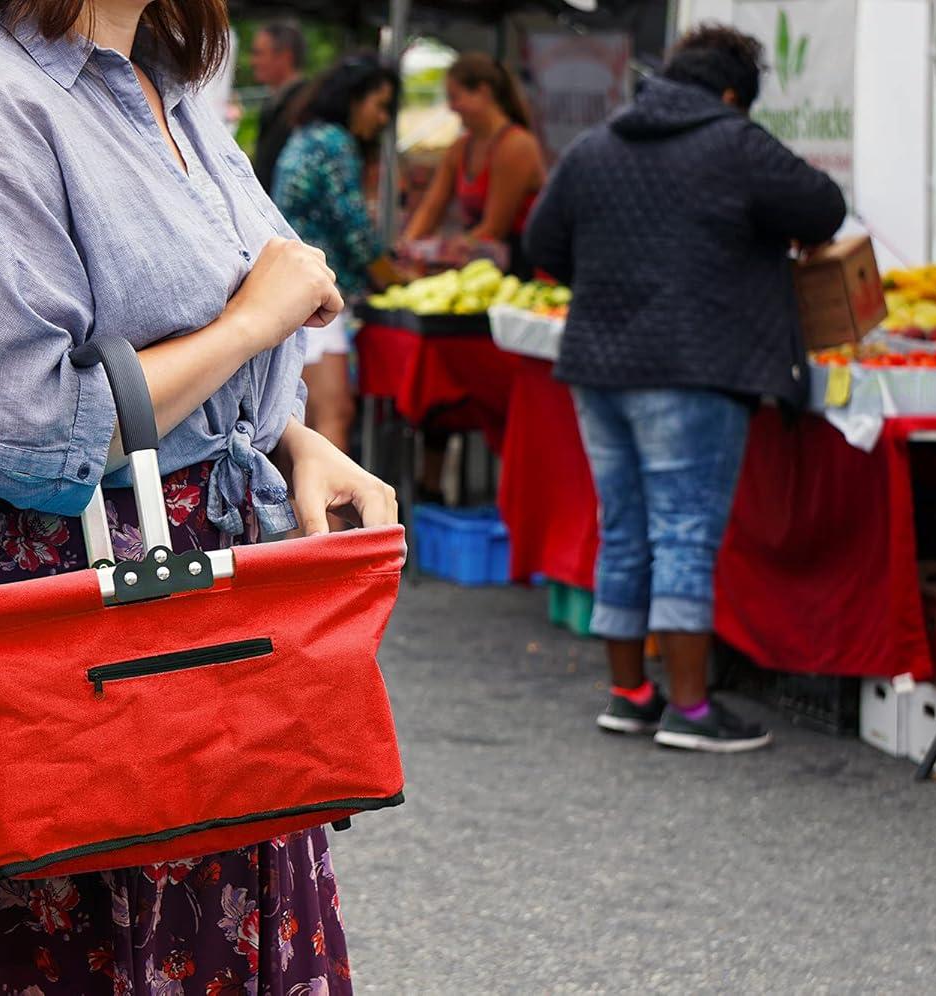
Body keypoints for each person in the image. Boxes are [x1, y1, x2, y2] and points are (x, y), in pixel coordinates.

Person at [0, 0, 398, 990]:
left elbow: (219, 323)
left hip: (208, 584)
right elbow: (23, 427)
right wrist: (249, 328)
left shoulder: (164, 85)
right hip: (69, 590)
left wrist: (291, 437)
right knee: (75, 939)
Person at [524, 24, 846, 752]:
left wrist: (615, 283)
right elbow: (823, 207)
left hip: (600, 364)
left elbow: (541, 243)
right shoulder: (735, 141)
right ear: (731, 94)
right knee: (684, 535)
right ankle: (693, 712)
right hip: (696, 368)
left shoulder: (596, 146)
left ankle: (631, 694)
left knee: (624, 526)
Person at [274, 56, 399, 451]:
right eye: (380, 106)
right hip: (313, 300)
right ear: (353, 100)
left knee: (307, 424)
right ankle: (326, 516)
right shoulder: (335, 143)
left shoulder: (307, 135)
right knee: (331, 417)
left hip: (295, 293)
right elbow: (355, 230)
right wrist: (397, 279)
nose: (382, 119)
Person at [400, 53, 546, 277]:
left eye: (455, 97)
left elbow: (495, 227)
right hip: (480, 264)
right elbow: (431, 208)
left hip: (520, 266)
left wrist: (447, 250)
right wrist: (407, 245)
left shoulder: (516, 145)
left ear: (483, 92)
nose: (451, 107)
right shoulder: (460, 148)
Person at [249, 19, 306, 191]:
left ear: (285, 57)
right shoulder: (275, 103)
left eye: (259, 53)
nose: (253, 62)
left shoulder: (304, 105)